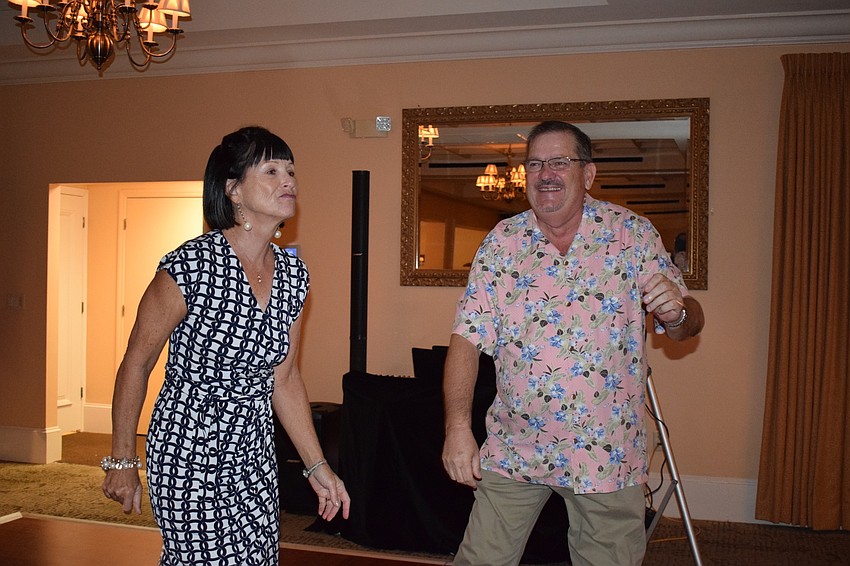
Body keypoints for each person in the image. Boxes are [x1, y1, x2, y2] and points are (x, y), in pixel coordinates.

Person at [442, 121, 704, 566]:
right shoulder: (501, 244)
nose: (546, 173)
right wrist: (457, 429)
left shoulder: (631, 235)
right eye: (536, 163)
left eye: (560, 162)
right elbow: (466, 340)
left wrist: (678, 311)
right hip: (516, 447)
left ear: (587, 174)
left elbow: (685, 326)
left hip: (605, 450)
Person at [102, 126, 350, 565]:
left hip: (254, 449)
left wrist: (318, 467)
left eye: (291, 170)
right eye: (271, 170)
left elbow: (285, 379)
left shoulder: (295, 278)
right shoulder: (190, 265)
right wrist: (122, 458)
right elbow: (137, 363)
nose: (288, 180)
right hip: (188, 444)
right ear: (233, 188)